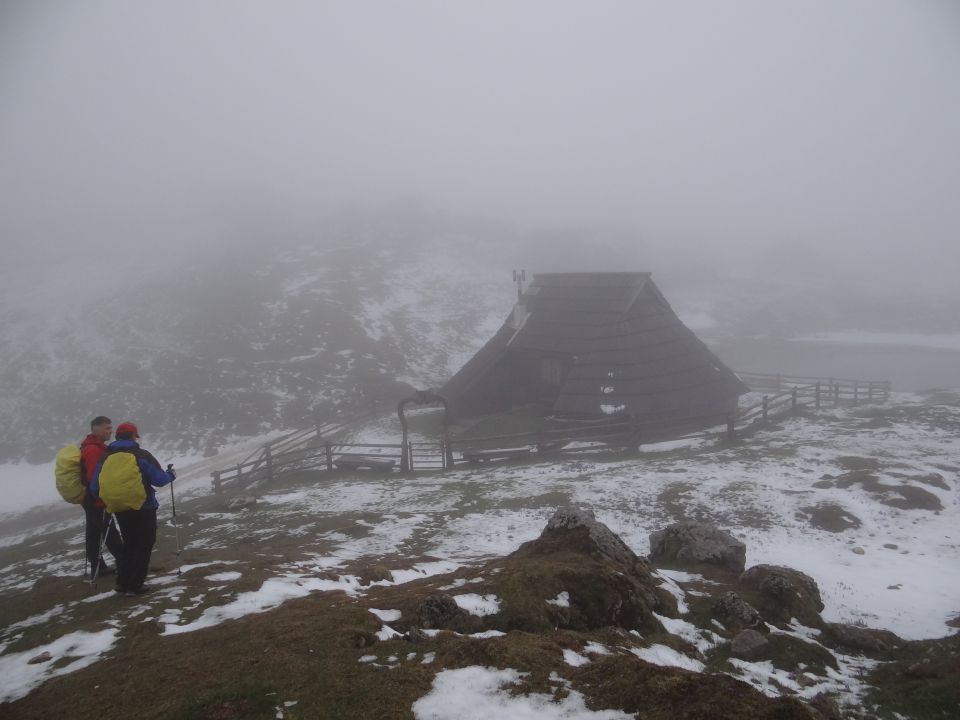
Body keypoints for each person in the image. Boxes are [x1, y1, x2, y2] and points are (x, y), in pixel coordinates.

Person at [90, 422, 175, 596]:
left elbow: (95, 487)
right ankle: (135, 585)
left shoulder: (105, 457)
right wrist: (171, 475)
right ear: (133, 436)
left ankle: (122, 583)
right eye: (136, 436)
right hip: (143, 507)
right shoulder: (141, 455)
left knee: (129, 544)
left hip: (119, 507)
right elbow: (159, 479)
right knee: (144, 544)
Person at [80, 416, 123, 577]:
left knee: (94, 533)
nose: (110, 431)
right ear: (95, 429)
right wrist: (103, 497)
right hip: (96, 499)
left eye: (110, 428)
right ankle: (124, 562)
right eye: (107, 428)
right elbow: (94, 477)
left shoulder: (92, 446)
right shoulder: (93, 450)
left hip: (89, 499)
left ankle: (98, 567)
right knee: (109, 532)